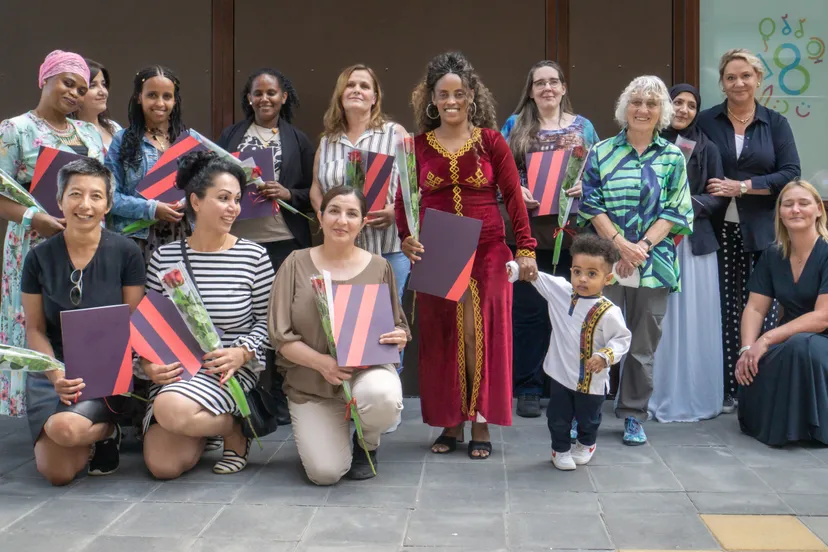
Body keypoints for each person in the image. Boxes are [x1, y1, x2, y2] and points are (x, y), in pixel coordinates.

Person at [397, 51, 538, 459]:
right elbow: (401, 199)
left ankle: (480, 420)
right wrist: (407, 236)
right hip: (438, 247)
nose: (452, 101)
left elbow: (513, 196)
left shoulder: (491, 141)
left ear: (472, 95)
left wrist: (526, 248)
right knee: (443, 336)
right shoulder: (417, 147)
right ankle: (450, 421)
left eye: (459, 93)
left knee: (481, 334)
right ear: (432, 99)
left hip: (488, 247)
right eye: (444, 94)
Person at [139, 151, 274, 478]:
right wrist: (147, 365)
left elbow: (269, 323)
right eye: (223, 198)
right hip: (177, 369)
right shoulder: (164, 257)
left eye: (237, 199)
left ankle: (228, 427)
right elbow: (148, 326)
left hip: (227, 368)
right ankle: (220, 428)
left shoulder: (254, 256)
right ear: (196, 202)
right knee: (163, 466)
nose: (234, 208)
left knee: (170, 409)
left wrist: (241, 353)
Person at [578, 75, 692, 446]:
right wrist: (620, 247)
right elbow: (591, 204)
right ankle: (588, 411)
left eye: (652, 103)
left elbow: (677, 210)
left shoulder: (673, 156)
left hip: (654, 263)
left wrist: (639, 247)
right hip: (605, 264)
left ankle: (633, 414)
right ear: (624, 107)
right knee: (596, 338)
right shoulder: (602, 152)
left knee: (642, 348)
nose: (643, 109)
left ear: (662, 112)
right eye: (636, 102)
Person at [269, 185, 408, 484]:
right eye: (333, 211)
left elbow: (399, 325)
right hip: (312, 382)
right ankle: (330, 429)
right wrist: (323, 363)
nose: (341, 220)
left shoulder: (379, 266)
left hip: (366, 373)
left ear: (362, 222)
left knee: (381, 397)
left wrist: (399, 336)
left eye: (351, 214)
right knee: (326, 473)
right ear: (320, 217)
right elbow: (280, 337)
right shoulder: (295, 263)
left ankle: (367, 441)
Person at [21, 158, 145, 485]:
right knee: (57, 473)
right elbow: (34, 328)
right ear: (59, 200)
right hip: (54, 366)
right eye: (75, 194)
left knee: (66, 430)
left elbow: (132, 321)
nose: (85, 205)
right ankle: (86, 436)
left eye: (96, 196)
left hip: (105, 367)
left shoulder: (126, 252)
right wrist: (54, 371)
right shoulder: (38, 257)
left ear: (108, 204)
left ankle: (107, 430)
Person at [0, 50, 104, 418]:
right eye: (67, 82)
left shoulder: (88, 131)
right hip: (36, 244)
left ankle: (95, 406)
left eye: (81, 87)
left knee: (87, 319)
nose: (75, 93)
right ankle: (40, 408)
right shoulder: (15, 130)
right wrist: (33, 217)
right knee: (38, 322)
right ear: (44, 79)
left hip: (87, 244)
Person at [697, 48, 801, 414]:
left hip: (763, 231)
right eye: (730, 77)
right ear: (722, 83)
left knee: (764, 309)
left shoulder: (775, 123)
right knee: (724, 309)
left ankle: (759, 386)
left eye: (745, 75)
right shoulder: (707, 121)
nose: (738, 83)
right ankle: (728, 388)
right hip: (718, 228)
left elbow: (790, 173)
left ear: (758, 79)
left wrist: (742, 186)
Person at [310, 65, 410, 425]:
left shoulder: (394, 133)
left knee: (385, 329)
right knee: (342, 329)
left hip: (387, 249)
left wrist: (393, 212)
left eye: (364, 85)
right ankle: (347, 406)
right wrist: (327, 216)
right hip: (340, 254)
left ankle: (384, 410)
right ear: (341, 94)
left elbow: (412, 188)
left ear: (375, 96)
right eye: (349, 84)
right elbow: (316, 190)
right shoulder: (328, 140)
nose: (356, 89)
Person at [501, 60, 600, 418]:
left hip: (572, 235)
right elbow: (500, 171)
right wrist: (518, 188)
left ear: (562, 88)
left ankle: (564, 384)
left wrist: (584, 185)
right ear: (530, 91)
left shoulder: (583, 127)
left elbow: (599, 171)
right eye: (539, 83)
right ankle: (528, 386)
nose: (547, 88)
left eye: (553, 82)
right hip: (527, 233)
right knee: (527, 311)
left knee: (570, 312)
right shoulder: (514, 125)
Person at [507, 234, 630, 470]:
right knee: (558, 418)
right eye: (577, 271)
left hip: (591, 380)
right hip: (562, 375)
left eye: (592, 274)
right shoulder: (562, 292)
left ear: (608, 278)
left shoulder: (610, 312)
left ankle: (586, 444)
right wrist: (514, 267)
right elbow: (537, 277)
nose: (582, 279)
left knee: (590, 418)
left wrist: (605, 356)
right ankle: (560, 449)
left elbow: (622, 338)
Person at [650, 84, 727, 422]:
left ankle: (696, 396)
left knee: (694, 320)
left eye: (691, 105)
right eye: (676, 102)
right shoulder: (648, 141)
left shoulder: (707, 147)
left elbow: (718, 196)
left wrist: (681, 209)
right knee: (657, 319)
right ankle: (652, 393)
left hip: (693, 247)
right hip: (653, 244)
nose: (682, 110)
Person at [736, 180, 828, 446]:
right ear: (779, 213)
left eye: (803, 203)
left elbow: (822, 317)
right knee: (756, 363)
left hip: (816, 341)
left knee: (799, 346)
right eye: (787, 205)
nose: (795, 210)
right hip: (790, 342)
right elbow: (754, 307)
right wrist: (746, 349)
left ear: (819, 209)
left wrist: (766, 340)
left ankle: (807, 430)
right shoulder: (772, 256)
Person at [216, 68, 314, 270]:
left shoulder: (299, 141)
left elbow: (313, 192)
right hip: (237, 238)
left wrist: (288, 193)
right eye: (258, 93)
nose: (264, 99)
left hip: (284, 239)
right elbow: (213, 179)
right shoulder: (230, 135)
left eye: (271, 93)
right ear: (249, 98)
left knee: (282, 301)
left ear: (283, 97)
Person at [105, 65, 187, 258]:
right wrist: (151, 209)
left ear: (175, 101)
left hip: (183, 238)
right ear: (139, 97)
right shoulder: (122, 140)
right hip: (135, 240)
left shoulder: (189, 141)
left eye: (167, 96)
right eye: (152, 95)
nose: (160, 103)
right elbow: (108, 196)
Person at [72, 58, 122, 152]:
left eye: (103, 84)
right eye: (92, 86)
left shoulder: (114, 127)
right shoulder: (67, 133)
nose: (103, 92)